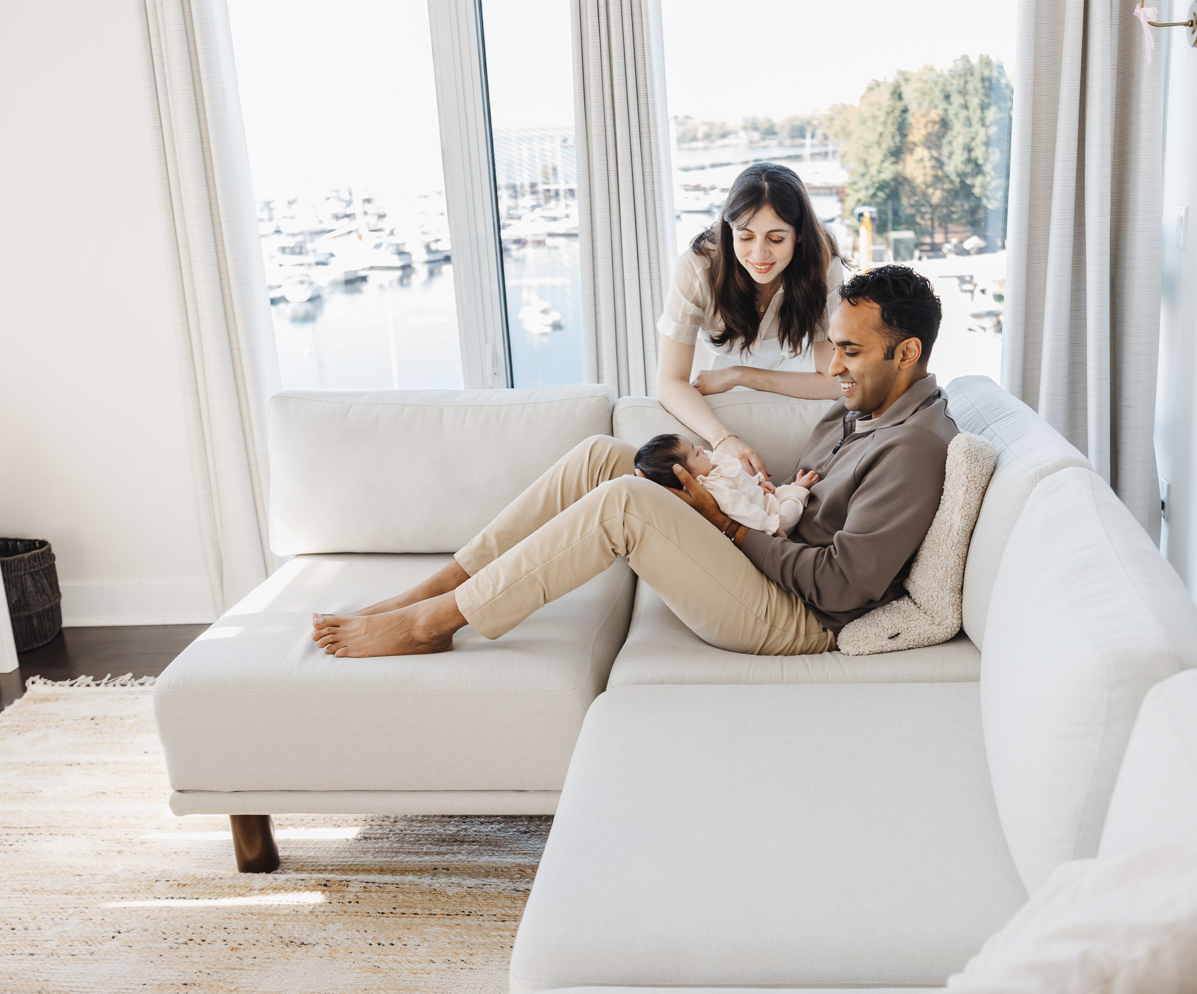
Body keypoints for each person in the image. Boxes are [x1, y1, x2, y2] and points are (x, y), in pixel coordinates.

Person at [310, 264, 958, 659]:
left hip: (795, 616)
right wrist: (748, 490)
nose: (833, 365)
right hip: (767, 552)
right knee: (604, 457)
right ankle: (437, 587)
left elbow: (842, 585)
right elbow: (811, 502)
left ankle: (433, 622)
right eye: (834, 346)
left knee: (626, 502)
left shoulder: (912, 448)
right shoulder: (864, 405)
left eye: (850, 351)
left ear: (906, 354)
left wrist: (728, 526)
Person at [656, 161, 850, 480]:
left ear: (800, 235)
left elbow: (835, 381)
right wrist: (722, 438)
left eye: (776, 239)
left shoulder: (822, 262)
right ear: (729, 229)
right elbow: (669, 382)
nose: (759, 255)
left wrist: (740, 375)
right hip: (710, 374)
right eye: (745, 236)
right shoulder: (696, 267)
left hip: (795, 370)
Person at [633, 432, 820, 537]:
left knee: (780, 492)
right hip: (766, 515)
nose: (701, 449)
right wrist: (769, 525)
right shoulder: (715, 489)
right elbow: (743, 511)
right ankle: (799, 490)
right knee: (788, 515)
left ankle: (791, 490)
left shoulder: (710, 464)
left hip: (764, 497)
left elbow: (739, 479)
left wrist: (758, 483)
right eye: (695, 453)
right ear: (686, 477)